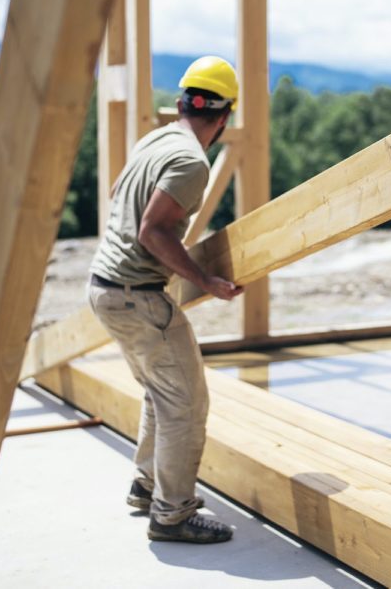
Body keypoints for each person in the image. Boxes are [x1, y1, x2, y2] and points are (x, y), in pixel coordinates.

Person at [87, 56, 243, 544]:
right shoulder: (192, 162)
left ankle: (146, 485)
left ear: (181, 104)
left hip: (105, 289)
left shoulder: (155, 140)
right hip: (136, 297)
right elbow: (152, 230)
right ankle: (172, 513)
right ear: (223, 118)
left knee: (162, 391)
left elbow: (119, 193)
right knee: (187, 404)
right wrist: (205, 279)